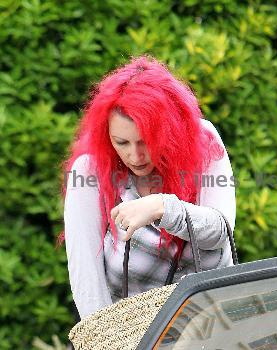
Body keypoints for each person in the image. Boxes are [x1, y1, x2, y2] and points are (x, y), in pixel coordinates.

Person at [58, 54, 236, 320]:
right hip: (135, 336)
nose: (135, 156)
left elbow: (219, 232)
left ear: (170, 130)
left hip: (216, 325)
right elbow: (87, 279)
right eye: (122, 142)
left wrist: (161, 207)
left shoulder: (203, 141)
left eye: (146, 141)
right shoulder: (89, 170)